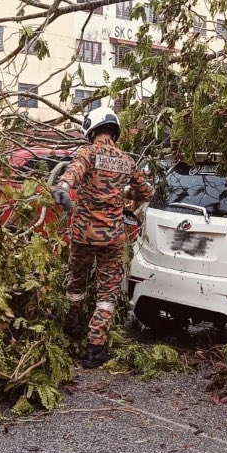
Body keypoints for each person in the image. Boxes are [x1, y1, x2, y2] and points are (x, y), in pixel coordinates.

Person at [52, 106, 153, 368]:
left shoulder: (88, 152)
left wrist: (63, 187)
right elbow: (146, 192)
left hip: (83, 234)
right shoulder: (127, 160)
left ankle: (71, 331)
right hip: (112, 238)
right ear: (114, 130)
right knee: (106, 295)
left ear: (91, 129)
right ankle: (95, 350)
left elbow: (74, 170)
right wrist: (122, 193)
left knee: (76, 285)